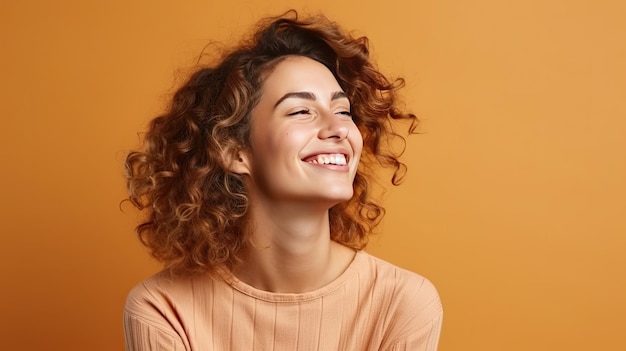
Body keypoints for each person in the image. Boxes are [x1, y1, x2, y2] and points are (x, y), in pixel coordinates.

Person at [123, 10, 442, 351]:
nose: (338, 128)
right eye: (301, 111)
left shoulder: (403, 303)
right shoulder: (163, 309)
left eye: (343, 111)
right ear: (234, 151)